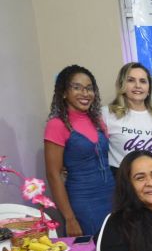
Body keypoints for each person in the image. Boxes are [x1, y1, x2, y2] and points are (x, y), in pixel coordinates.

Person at [44, 65, 114, 238]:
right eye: (77, 87)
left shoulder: (97, 121)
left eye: (89, 88)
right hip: (83, 201)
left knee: (115, 246)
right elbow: (53, 175)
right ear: (64, 92)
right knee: (92, 249)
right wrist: (70, 218)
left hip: (111, 196)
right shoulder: (57, 125)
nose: (85, 93)